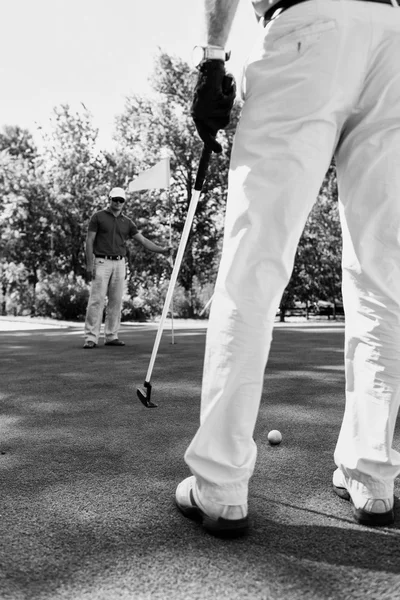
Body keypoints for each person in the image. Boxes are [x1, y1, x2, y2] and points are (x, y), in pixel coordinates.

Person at [175, 0, 400, 536]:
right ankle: (372, 474)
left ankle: (221, 486)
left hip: (309, 27)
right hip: (394, 39)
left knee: (255, 261)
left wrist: (211, 59)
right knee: (382, 275)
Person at [83, 187, 171, 348]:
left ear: (124, 202)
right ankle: (91, 337)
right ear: (109, 199)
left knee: (116, 301)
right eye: (115, 199)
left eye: (121, 200)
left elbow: (143, 241)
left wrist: (163, 250)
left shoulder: (127, 222)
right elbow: (89, 241)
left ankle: (111, 336)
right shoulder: (98, 217)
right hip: (101, 262)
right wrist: (90, 264)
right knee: (96, 300)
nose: (117, 203)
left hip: (120, 263)